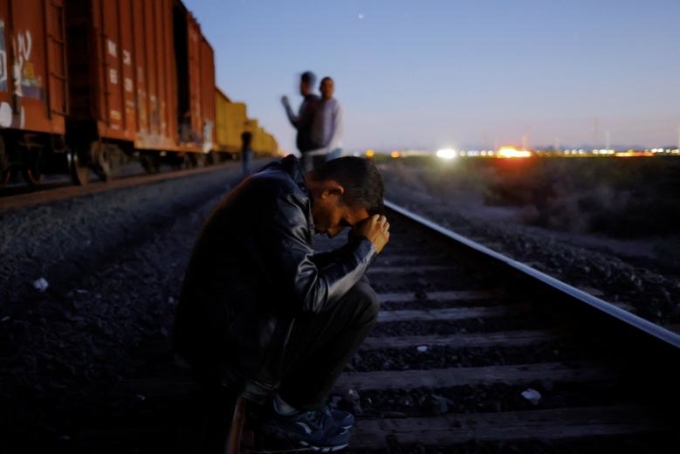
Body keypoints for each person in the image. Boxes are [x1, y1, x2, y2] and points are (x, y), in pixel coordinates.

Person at [173, 154, 390, 452]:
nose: (332, 231)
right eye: (343, 221)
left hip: (225, 326)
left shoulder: (279, 186)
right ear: (331, 191)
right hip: (222, 350)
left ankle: (293, 406)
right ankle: (291, 413)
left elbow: (295, 273)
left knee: (356, 289)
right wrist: (363, 250)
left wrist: (355, 250)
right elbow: (308, 296)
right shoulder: (281, 199)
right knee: (362, 303)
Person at [281, 71, 320, 172]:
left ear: (305, 84)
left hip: (309, 153)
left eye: (300, 83)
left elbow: (298, 123)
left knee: (307, 183)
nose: (298, 86)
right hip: (308, 152)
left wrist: (287, 106)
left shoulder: (311, 102)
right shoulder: (310, 101)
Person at [307, 76, 344, 169]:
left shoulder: (336, 105)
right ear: (320, 88)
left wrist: (329, 149)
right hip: (318, 149)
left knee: (328, 178)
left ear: (333, 89)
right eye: (324, 86)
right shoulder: (318, 106)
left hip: (332, 150)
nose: (327, 88)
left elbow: (338, 129)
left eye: (330, 86)